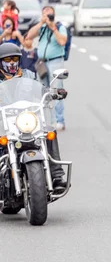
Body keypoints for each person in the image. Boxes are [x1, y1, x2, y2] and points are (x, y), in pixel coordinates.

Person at [0, 43, 67, 188]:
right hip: (3, 123)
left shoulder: (28, 75)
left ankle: (56, 175)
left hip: (25, 120)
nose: (11, 63)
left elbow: (41, 89)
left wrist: (53, 92)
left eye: (14, 59)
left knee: (49, 131)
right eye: (7, 60)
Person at [26, 5, 68, 131]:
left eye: (49, 13)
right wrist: (41, 23)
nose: (47, 15)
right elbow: (29, 36)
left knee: (56, 91)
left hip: (55, 61)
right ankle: (44, 120)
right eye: (45, 13)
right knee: (43, 92)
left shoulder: (59, 27)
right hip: (42, 63)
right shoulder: (42, 27)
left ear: (54, 15)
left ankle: (59, 120)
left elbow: (62, 42)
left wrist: (53, 27)